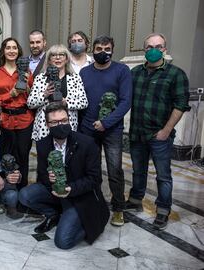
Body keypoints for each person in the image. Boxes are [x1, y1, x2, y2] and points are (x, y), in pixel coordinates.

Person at [19, 102, 109, 249]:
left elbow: (95, 179)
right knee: (25, 195)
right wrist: (49, 178)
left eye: (64, 120)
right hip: (56, 190)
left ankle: (90, 220)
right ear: (47, 125)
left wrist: (71, 189)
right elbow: (42, 174)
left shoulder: (87, 143)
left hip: (79, 196)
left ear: (69, 120)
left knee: (63, 242)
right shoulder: (42, 144)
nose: (60, 124)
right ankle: (53, 214)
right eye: (54, 122)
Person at [126, 33, 190, 230]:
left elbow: (180, 105)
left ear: (165, 49)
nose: (154, 50)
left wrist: (166, 130)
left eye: (158, 46)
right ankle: (135, 200)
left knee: (163, 175)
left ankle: (163, 210)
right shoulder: (134, 73)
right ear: (144, 50)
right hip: (137, 133)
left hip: (160, 135)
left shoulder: (176, 74)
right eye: (149, 47)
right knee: (138, 171)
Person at [79, 35, 132, 227]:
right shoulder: (84, 72)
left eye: (107, 48)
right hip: (87, 129)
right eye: (99, 48)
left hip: (112, 130)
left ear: (112, 49)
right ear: (92, 50)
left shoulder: (122, 70)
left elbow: (126, 101)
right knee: (88, 169)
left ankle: (118, 208)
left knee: (114, 170)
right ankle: (92, 201)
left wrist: (106, 122)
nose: (103, 52)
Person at [0, 37, 34, 189]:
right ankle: (6, 192)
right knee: (5, 156)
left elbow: (34, 96)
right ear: (3, 51)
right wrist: (11, 94)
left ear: (18, 51)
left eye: (14, 47)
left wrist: (27, 87)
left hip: (24, 120)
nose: (11, 50)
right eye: (8, 47)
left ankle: (22, 191)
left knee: (23, 156)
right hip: (4, 120)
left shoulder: (27, 71)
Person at [27, 44, 88, 141]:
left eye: (62, 55)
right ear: (49, 59)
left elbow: (83, 102)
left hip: (68, 125)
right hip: (44, 126)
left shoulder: (75, 78)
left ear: (67, 59)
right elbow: (30, 103)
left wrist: (66, 103)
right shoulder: (40, 78)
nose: (58, 58)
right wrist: (44, 94)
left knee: (67, 155)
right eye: (54, 55)